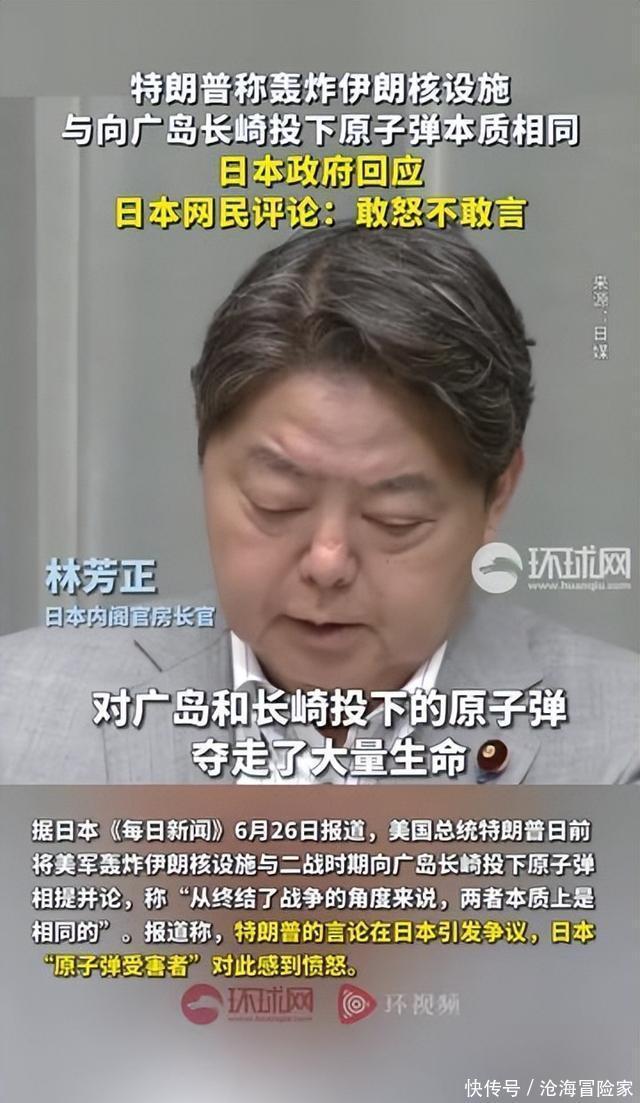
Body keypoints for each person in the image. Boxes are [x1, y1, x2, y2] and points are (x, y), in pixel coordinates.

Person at [1, 223, 637, 783]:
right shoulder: (22, 711)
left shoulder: (616, 748)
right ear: (203, 457)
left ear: (497, 494)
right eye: (277, 503)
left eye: (394, 521)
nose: (327, 562)